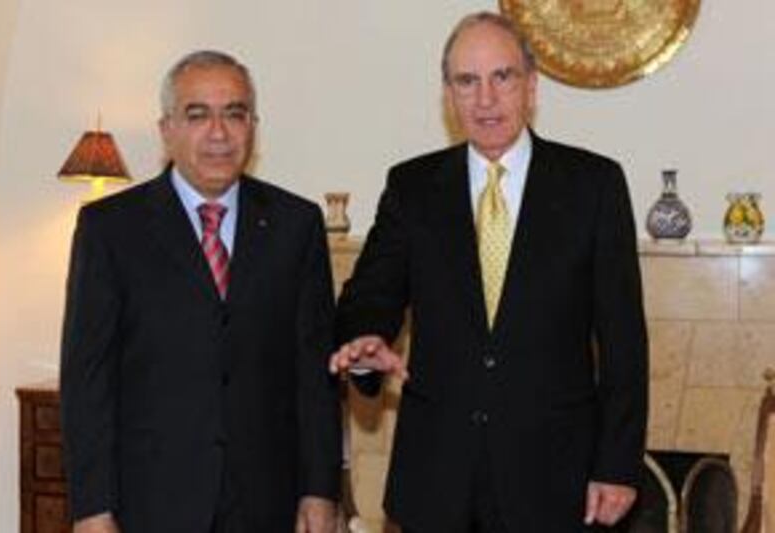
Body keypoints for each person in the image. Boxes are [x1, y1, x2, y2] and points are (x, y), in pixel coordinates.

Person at [330, 11, 648, 533]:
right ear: (448, 94)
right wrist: (365, 342)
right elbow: (369, 296)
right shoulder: (412, 188)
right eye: (467, 81)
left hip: (553, 479)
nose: (485, 99)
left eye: (502, 77)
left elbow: (624, 341)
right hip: (436, 480)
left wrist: (617, 465)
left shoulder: (593, 186)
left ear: (531, 86)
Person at [60, 50, 341, 533]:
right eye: (198, 115)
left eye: (234, 114)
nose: (219, 133)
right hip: (150, 502)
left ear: (253, 126)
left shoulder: (296, 225)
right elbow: (87, 379)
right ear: (167, 129)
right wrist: (92, 508)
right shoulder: (110, 229)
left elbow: (313, 374)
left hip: (267, 501)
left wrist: (320, 490)